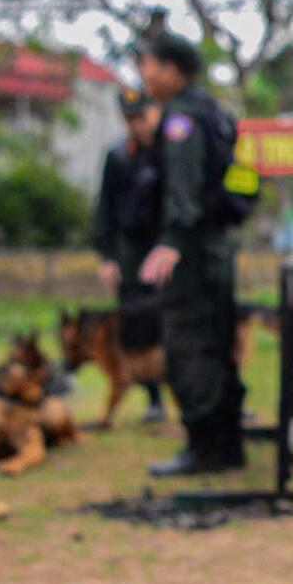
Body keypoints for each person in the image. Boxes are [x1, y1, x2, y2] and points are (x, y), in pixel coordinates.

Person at [136, 31, 253, 475]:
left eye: (148, 64)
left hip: (192, 253)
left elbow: (183, 192)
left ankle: (206, 448)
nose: (143, 73)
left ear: (170, 69)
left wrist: (172, 242)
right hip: (215, 249)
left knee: (189, 347)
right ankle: (226, 446)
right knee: (217, 343)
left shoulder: (181, 119)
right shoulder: (215, 112)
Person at [90, 86, 168, 422]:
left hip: (165, 249)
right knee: (135, 326)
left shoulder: (169, 153)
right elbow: (104, 209)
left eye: (142, 116)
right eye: (130, 118)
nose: (137, 124)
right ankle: (153, 398)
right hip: (130, 253)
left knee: (169, 322)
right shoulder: (119, 156)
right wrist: (107, 257)